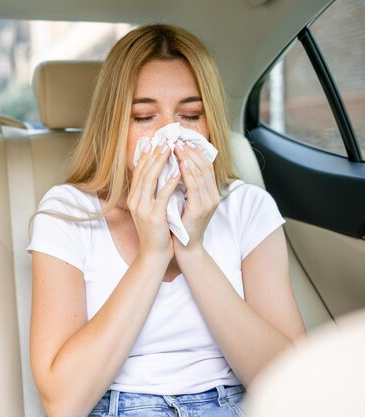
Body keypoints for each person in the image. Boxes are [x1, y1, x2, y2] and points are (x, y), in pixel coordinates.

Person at [27, 24, 306, 417]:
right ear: (114, 125)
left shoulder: (248, 208)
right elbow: (63, 402)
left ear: (210, 124)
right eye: (143, 116)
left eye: (190, 115)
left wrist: (192, 251)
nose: (170, 134)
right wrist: (152, 255)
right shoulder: (68, 213)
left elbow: (294, 384)